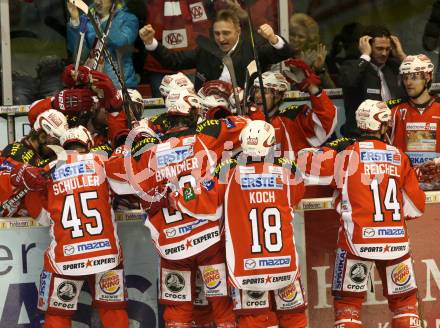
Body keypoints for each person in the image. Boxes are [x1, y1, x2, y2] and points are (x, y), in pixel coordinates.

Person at [105, 89, 249, 327]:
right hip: (208, 239)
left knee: (177, 312)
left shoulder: (150, 154)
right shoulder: (206, 137)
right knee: (222, 306)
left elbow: (113, 171)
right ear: (193, 113)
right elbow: (249, 127)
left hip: (172, 247)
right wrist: (214, 119)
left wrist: (135, 139)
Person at [300, 99, 425, 328]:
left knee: (348, 305)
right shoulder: (399, 156)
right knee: (405, 305)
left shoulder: (345, 155)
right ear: (384, 126)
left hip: (355, 242)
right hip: (396, 244)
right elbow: (415, 208)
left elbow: (305, 164)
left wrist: (333, 147)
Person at [172, 120, 307, 328]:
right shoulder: (289, 173)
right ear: (271, 144)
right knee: (294, 318)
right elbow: (298, 191)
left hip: (247, 269)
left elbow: (196, 197)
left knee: (252, 320)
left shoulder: (227, 173)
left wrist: (180, 191)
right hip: (284, 265)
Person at [33, 126, 129, 328]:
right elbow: (129, 186)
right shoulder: (103, 161)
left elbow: (41, 216)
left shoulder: (48, 169)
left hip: (65, 256)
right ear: (89, 144)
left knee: (57, 313)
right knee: (113, 309)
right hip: (105, 254)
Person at [139, 9, 292, 90]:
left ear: (238, 30)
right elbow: (172, 61)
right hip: (209, 115)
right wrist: (150, 42)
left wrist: (273, 38)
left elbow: (283, 53)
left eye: (226, 33)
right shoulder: (205, 50)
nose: (221, 39)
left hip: (245, 113)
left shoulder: (252, 49)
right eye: (217, 33)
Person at [249, 68, 337, 159]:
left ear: (278, 96)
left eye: (264, 91)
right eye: (256, 91)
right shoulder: (248, 119)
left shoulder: (293, 117)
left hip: (291, 172)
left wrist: (312, 88)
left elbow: (327, 120)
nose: (257, 96)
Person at [338, 25, 407, 137]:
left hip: (392, 133)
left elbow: (422, 79)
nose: (384, 53)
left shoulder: (394, 66)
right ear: (368, 46)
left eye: (387, 49)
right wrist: (365, 55)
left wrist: (401, 55)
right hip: (361, 136)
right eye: (379, 48)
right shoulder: (351, 66)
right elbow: (348, 81)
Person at [0, 109, 68, 217]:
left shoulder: (38, 154)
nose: (58, 147)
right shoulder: (17, 152)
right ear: (42, 136)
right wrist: (18, 174)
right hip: (9, 223)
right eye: (55, 142)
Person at [389, 54, 440, 189]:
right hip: (404, 185)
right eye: (405, 77)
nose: (408, 82)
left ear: (427, 77)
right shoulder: (393, 111)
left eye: (414, 77)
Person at [66, 0, 139, 88]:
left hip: (121, 85)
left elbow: (120, 41)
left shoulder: (128, 19)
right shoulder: (87, 19)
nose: (97, 2)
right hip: (93, 84)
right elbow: (78, 53)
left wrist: (107, 17)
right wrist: (75, 21)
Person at [288, 13, 335, 89]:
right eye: (292, 34)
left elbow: (332, 90)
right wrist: (302, 70)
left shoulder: (315, 59)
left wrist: (320, 70)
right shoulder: (282, 58)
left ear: (309, 39)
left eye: (301, 36)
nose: (295, 39)